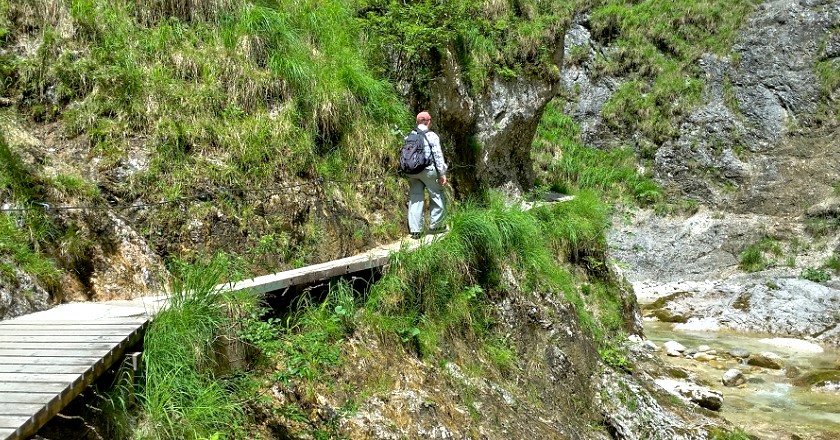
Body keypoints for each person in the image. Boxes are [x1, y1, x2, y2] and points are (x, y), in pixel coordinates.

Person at [406, 111, 448, 239]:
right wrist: (442, 174)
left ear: (417, 122)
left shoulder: (410, 135)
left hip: (412, 171)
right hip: (428, 170)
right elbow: (438, 156)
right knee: (436, 194)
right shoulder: (432, 135)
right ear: (429, 122)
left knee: (415, 198)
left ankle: (415, 231)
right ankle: (436, 226)